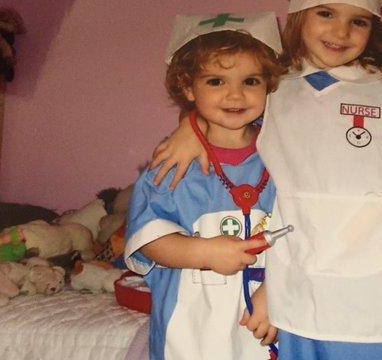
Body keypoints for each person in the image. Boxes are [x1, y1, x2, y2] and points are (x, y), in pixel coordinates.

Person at [149, 1, 382, 359]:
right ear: (299, 17)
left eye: (358, 22)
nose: (341, 32)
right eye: (326, 13)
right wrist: (191, 127)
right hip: (303, 283)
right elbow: (228, 116)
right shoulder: (272, 90)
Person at [124, 12, 286, 360]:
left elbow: (305, 236)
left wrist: (280, 291)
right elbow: (149, 239)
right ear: (187, 87)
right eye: (216, 81)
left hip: (265, 322)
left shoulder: (284, 157)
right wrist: (205, 253)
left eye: (251, 81)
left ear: (269, 85)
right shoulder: (173, 165)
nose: (235, 95)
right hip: (191, 332)